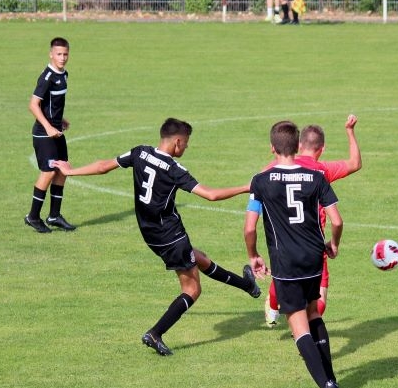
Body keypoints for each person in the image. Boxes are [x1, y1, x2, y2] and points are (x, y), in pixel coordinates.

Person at [53, 118, 261, 356]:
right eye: (186, 143)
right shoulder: (174, 170)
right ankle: (155, 333)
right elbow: (211, 195)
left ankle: (247, 285)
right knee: (192, 290)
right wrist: (246, 187)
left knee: (199, 258)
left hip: (149, 232)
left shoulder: (139, 152)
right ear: (178, 141)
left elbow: (102, 166)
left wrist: (71, 171)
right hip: (170, 234)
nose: (186, 148)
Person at [245, 121, 344, 388]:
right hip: (314, 257)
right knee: (314, 313)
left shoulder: (261, 180)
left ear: (273, 148)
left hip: (286, 262)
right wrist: (333, 243)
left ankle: (326, 385)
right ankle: (332, 377)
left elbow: (250, 228)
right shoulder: (316, 176)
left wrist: (253, 255)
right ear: (297, 146)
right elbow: (336, 220)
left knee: (298, 324)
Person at [261, 115, 362, 327]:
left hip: (284, 239)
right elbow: (355, 163)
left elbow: (260, 179)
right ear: (322, 149)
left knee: (284, 277)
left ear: (298, 145)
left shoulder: (278, 165)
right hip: (313, 241)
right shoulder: (321, 171)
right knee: (318, 305)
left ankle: (274, 305)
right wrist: (350, 131)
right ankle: (300, 329)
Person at [25, 37, 76, 234]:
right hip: (43, 134)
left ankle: (54, 216)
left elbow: (52, 104)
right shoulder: (46, 77)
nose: (62, 58)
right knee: (48, 172)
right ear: (51, 54)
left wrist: (60, 120)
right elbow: (33, 105)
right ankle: (33, 216)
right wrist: (47, 126)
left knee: (62, 170)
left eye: (65, 54)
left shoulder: (64, 75)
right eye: (59, 54)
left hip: (57, 131)